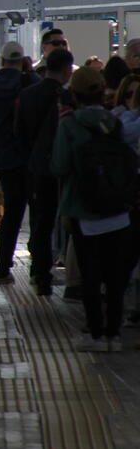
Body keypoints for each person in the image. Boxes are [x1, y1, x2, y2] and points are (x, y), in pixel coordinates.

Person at [51, 67, 139, 352]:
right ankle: (113, 334)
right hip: (117, 209)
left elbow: (59, 166)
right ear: (102, 91)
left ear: (74, 93)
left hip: (83, 208)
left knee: (90, 274)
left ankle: (95, 334)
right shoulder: (114, 122)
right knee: (114, 276)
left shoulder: (70, 124)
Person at [14, 47, 74, 296]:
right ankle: (72, 273)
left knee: (41, 221)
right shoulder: (67, 97)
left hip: (37, 167)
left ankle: (41, 273)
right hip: (66, 169)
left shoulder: (27, 95)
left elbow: (19, 132)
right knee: (70, 220)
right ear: (67, 70)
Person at [0, 41, 40, 284]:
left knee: (12, 214)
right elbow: (40, 91)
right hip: (33, 158)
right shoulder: (30, 82)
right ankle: (38, 268)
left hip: (7, 157)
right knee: (40, 213)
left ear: (2, 61)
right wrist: (29, 72)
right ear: (23, 60)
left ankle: (2, 267)